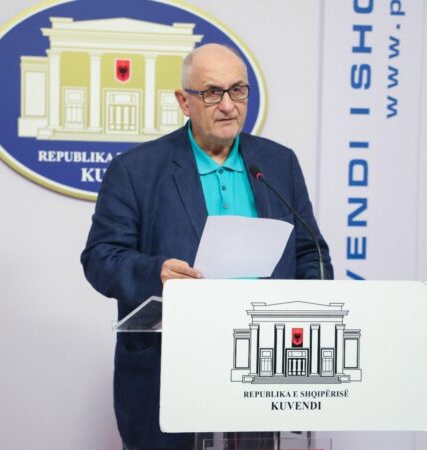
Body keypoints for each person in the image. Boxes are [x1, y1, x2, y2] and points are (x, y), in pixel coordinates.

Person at [81, 43, 333, 450]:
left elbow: (311, 253)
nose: (228, 105)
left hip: (260, 369)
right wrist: (155, 272)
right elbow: (101, 258)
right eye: (213, 92)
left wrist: (307, 315)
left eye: (238, 90)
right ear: (184, 101)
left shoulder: (278, 162)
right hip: (169, 371)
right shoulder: (136, 169)